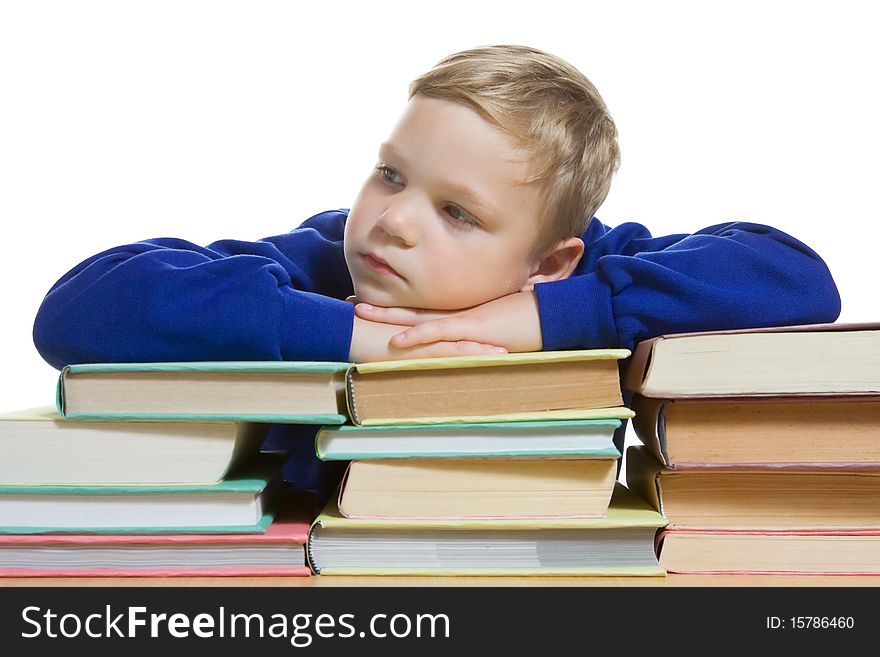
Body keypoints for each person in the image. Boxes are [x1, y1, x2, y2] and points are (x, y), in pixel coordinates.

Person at [31, 45, 840, 490]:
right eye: (390, 174)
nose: (394, 220)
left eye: (457, 212)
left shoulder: (585, 267)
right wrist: (356, 335)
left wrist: (533, 320)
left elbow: (795, 276)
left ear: (549, 259)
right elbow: (76, 308)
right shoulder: (320, 264)